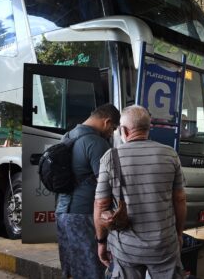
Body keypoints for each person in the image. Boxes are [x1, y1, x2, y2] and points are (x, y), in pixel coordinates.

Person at [94, 105, 187, 279]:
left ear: (124, 130)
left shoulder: (110, 157)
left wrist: (101, 242)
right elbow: (180, 199)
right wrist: (179, 234)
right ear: (148, 128)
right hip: (164, 246)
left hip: (126, 249)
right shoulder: (170, 154)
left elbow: (101, 204)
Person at [55, 103, 120, 279]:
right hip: (84, 216)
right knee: (92, 270)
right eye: (113, 128)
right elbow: (108, 188)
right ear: (106, 122)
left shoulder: (67, 137)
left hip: (63, 214)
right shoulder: (97, 143)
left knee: (71, 270)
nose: (112, 133)